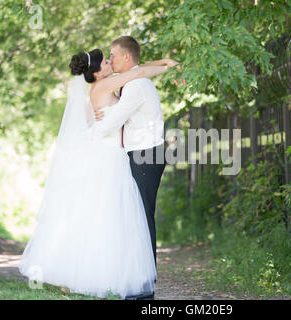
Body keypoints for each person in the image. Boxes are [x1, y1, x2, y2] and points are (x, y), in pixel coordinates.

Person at [18, 47, 178, 299]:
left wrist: (161, 60)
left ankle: (72, 275)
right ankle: (93, 274)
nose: (110, 62)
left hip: (105, 153)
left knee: (93, 218)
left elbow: (135, 68)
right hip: (110, 156)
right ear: (96, 71)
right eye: (105, 61)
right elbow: (142, 72)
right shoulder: (107, 84)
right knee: (109, 219)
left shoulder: (95, 89)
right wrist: (170, 67)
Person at [92, 36, 171, 300]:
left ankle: (144, 287)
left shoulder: (136, 87)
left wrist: (89, 131)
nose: (110, 60)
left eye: (113, 55)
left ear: (127, 58)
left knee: (143, 218)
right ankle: (141, 280)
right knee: (138, 217)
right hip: (142, 154)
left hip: (146, 156)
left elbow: (113, 121)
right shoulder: (132, 82)